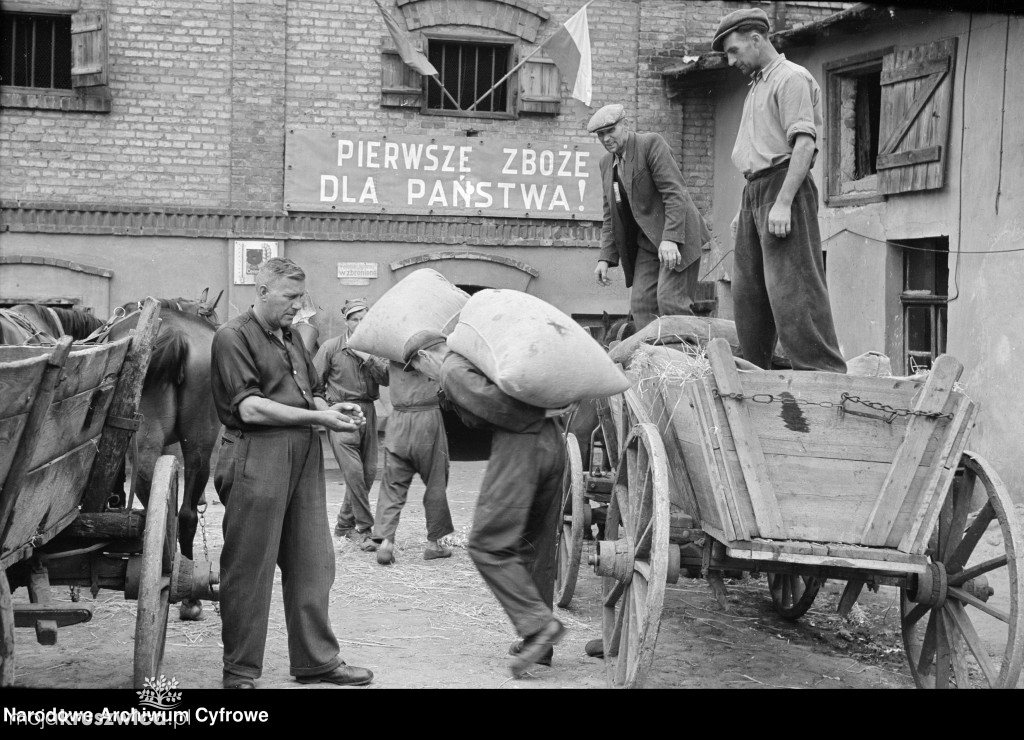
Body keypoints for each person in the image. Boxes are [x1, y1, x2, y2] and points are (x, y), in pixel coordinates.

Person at [211, 257, 374, 689]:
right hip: (255, 455)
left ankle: (316, 662)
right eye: (288, 297)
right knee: (251, 566)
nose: (296, 306)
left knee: (313, 562)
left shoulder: (292, 337)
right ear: (262, 292)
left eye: (300, 297)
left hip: (301, 454)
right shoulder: (232, 337)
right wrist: (319, 421)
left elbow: (311, 394)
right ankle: (241, 670)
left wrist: (331, 409)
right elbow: (249, 407)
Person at [413, 331, 568, 678]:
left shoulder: (452, 369)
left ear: (425, 356)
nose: (424, 376)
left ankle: (538, 628)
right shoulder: (476, 362)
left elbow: (490, 412)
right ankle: (538, 646)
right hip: (551, 441)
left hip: (521, 449)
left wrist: (451, 393)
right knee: (534, 546)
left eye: (420, 369)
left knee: (487, 544)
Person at [714, 8, 847, 373]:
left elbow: (804, 145)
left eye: (734, 50)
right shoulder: (758, 84)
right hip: (755, 191)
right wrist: (750, 207)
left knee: (794, 290)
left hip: (784, 184)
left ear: (756, 39)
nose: (731, 60)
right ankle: (754, 374)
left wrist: (783, 202)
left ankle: (822, 376)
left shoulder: (791, 78)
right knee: (748, 293)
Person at [589, 103, 711, 331]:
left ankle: (688, 361)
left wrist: (671, 238)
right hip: (647, 244)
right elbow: (610, 216)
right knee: (641, 305)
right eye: (600, 134)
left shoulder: (650, 144)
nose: (606, 138)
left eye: (610, 131)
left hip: (678, 235)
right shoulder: (606, 164)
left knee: (670, 300)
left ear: (625, 125)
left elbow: (676, 193)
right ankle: (657, 360)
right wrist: (605, 258)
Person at [371, 330, 454, 566]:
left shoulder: (393, 345)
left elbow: (383, 375)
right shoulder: (430, 343)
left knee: (392, 484)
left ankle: (386, 542)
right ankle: (433, 544)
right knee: (436, 480)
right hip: (427, 419)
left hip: (398, 420)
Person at [313, 298, 389, 550]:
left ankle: (344, 525)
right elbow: (313, 385)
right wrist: (327, 411)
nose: (359, 323)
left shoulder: (375, 349)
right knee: (354, 473)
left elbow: (387, 378)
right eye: (355, 319)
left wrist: (367, 357)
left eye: (364, 319)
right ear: (346, 321)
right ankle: (365, 530)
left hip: (368, 410)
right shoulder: (331, 347)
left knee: (367, 473)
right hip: (342, 412)